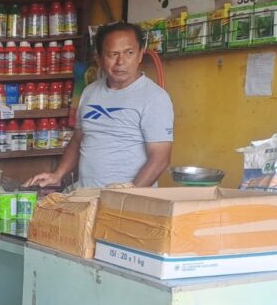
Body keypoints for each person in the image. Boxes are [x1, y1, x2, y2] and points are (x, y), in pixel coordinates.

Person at [27, 21, 174, 188]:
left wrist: (127, 195)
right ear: (99, 59)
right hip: (87, 194)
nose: (121, 61)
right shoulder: (90, 92)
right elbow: (78, 140)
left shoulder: (155, 97)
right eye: (113, 54)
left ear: (140, 55)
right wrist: (57, 174)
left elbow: (160, 159)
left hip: (129, 198)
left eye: (129, 53)